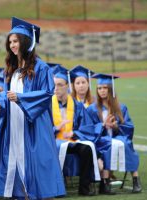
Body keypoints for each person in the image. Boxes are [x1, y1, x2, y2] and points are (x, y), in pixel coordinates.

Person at [0, 17, 65, 199]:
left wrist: (21, 98)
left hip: (33, 123)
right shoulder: (10, 69)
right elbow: (5, 94)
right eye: (10, 42)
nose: (13, 45)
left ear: (25, 42)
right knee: (13, 159)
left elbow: (47, 93)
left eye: (16, 41)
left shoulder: (41, 68)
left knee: (34, 162)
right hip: (13, 123)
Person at [87, 73, 142, 193]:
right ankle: (105, 183)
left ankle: (136, 179)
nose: (102, 91)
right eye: (99, 88)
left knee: (126, 143)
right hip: (100, 140)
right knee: (109, 144)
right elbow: (88, 129)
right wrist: (103, 125)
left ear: (111, 89)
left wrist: (116, 126)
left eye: (105, 88)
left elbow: (129, 127)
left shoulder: (121, 108)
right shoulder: (92, 109)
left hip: (117, 137)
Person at [52, 66, 100, 196]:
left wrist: (74, 133)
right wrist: (56, 128)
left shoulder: (77, 105)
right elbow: (41, 129)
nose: (56, 88)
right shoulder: (47, 105)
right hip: (53, 141)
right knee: (53, 149)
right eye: (54, 85)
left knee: (87, 148)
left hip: (71, 140)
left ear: (67, 86)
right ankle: (56, 188)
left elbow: (86, 126)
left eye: (59, 85)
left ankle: (84, 188)